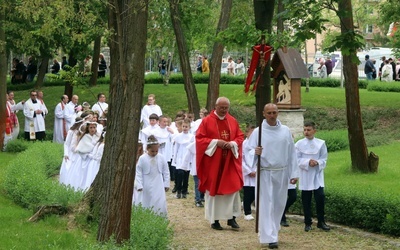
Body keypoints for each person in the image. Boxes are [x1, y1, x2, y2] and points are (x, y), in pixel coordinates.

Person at [245, 103, 298, 249]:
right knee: (266, 204)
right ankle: (270, 237)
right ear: (264, 114)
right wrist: (255, 152)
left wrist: (294, 173)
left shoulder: (285, 131)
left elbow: (291, 153)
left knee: (278, 204)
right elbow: (248, 151)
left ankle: (273, 229)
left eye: (274, 112)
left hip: (281, 171)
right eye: (269, 113)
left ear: (278, 113)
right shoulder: (258, 132)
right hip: (265, 172)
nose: (272, 115)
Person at [196, 97, 244, 230]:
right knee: (214, 190)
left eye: (226, 108)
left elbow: (240, 136)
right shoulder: (206, 121)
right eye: (221, 108)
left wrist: (233, 143)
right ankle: (214, 220)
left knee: (232, 188)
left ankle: (231, 218)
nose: (224, 110)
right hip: (214, 164)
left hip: (229, 162)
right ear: (215, 106)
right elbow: (200, 139)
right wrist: (216, 142)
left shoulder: (232, 120)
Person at [296, 121, 330, 232]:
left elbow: (324, 158)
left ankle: (321, 221)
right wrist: (307, 162)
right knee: (306, 201)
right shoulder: (299, 144)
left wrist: (317, 162)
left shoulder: (321, 143)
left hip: (317, 175)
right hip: (305, 175)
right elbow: (296, 159)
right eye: (305, 129)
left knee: (320, 198)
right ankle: (307, 222)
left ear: (314, 131)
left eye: (309, 130)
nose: (306, 132)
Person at [135, 135, 170, 217]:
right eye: (152, 151)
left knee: (159, 201)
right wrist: (139, 184)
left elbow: (166, 171)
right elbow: (138, 172)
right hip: (146, 184)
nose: (154, 153)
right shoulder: (142, 158)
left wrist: (166, 183)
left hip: (158, 184)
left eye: (156, 151)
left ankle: (159, 218)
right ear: (147, 149)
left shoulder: (161, 158)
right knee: (146, 201)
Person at [172, 118, 194, 199]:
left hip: (187, 157)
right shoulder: (178, 137)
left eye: (186, 127)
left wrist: (191, 160)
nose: (185, 128)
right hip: (180, 157)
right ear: (181, 127)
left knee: (186, 175)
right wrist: (174, 158)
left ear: (189, 128)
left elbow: (192, 149)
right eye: (183, 126)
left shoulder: (191, 137)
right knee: (179, 174)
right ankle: (178, 190)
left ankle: (184, 190)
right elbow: (176, 148)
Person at [242, 124, 256, 221]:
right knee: (248, 192)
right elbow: (241, 159)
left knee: (255, 193)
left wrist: (255, 170)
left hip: (256, 172)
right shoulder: (243, 144)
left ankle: (246, 203)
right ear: (247, 133)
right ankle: (247, 212)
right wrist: (248, 170)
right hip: (247, 172)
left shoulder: (258, 144)